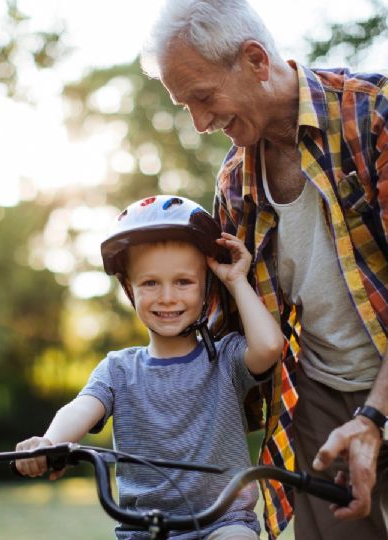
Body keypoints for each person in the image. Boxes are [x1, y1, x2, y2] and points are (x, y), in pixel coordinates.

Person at [141, 1, 388, 539]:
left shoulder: (383, 109)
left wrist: (375, 418)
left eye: (202, 97)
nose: (198, 123)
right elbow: (234, 325)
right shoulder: (236, 181)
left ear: (256, 61)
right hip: (320, 387)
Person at [14, 195, 285, 540]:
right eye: (150, 283)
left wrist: (235, 281)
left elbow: (270, 347)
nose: (167, 297)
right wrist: (49, 442)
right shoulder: (118, 370)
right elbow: (80, 408)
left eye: (183, 282)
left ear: (206, 287)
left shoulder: (226, 358)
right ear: (130, 289)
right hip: (143, 528)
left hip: (222, 523)